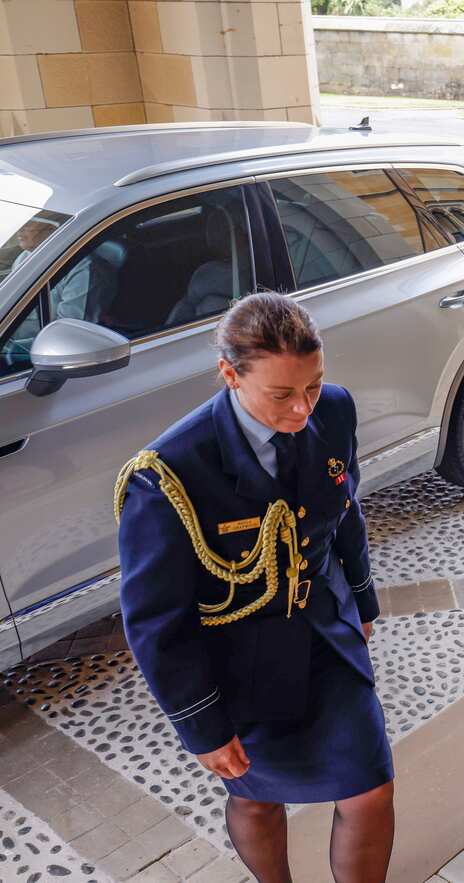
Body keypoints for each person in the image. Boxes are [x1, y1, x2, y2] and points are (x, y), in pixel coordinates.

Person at [115, 292, 394, 882]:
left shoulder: (335, 410)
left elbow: (344, 512)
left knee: (370, 790)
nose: (303, 408)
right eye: (281, 394)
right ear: (229, 374)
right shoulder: (169, 473)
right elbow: (155, 620)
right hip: (239, 663)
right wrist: (202, 725)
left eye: (313, 385)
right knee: (258, 799)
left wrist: (362, 601)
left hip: (325, 636)